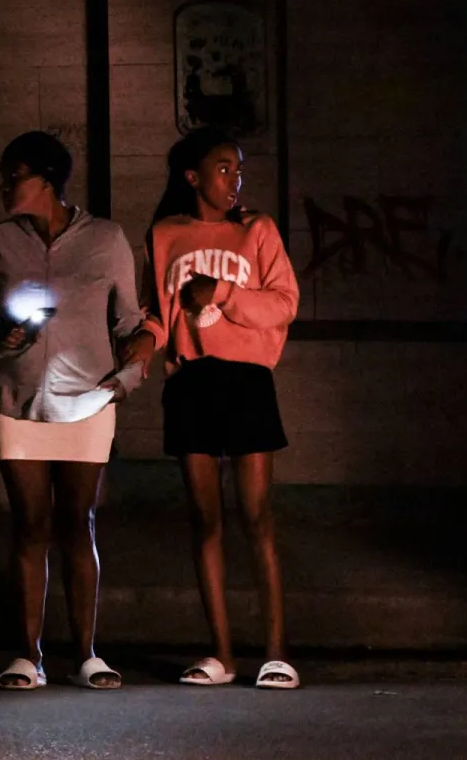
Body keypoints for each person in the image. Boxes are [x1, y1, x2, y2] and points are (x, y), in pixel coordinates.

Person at [119, 127, 301, 690]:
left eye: (238, 170)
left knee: (257, 516)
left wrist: (221, 293)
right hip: (191, 382)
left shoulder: (257, 229)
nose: (234, 180)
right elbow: (157, 310)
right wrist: (146, 340)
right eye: (224, 169)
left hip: (246, 379)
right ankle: (220, 653)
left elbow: (284, 303)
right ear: (192, 177)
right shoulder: (164, 234)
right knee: (205, 520)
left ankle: (277, 653)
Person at [0, 131, 144, 691]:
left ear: (47, 180)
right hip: (16, 399)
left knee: (77, 523)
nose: (4, 187)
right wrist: (0, 334)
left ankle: (87, 654)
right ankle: (28, 656)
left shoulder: (106, 238)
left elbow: (131, 320)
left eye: (14, 176)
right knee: (30, 524)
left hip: (86, 399)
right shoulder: (0, 240)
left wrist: (129, 375)